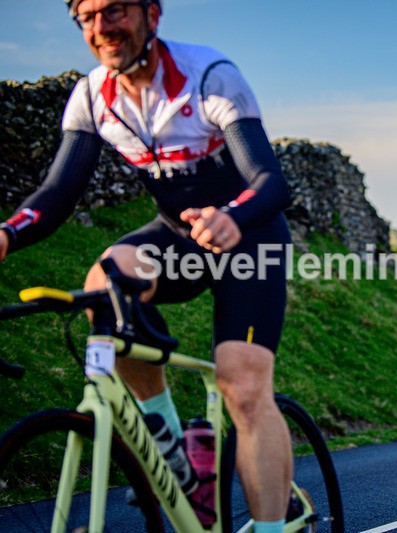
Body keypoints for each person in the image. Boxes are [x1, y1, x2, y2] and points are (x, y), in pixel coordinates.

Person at [0, 1, 292, 530]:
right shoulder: (92, 96)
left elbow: (270, 181)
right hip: (177, 238)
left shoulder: (209, 76)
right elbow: (58, 193)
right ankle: (173, 450)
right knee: (103, 282)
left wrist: (232, 216)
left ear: (151, 14)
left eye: (114, 10)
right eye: (86, 17)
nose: (101, 27)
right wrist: (7, 232)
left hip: (247, 237)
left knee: (243, 387)